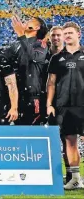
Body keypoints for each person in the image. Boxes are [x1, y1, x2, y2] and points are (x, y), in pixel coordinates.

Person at [47, 22, 84, 190]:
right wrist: (49, 104)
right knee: (70, 141)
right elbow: (51, 83)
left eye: (70, 33)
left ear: (79, 34)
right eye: (65, 33)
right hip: (64, 105)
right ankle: (75, 178)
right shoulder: (57, 58)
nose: (67, 35)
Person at [4, 15, 48, 126]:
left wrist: (21, 35)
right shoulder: (15, 44)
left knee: (33, 131)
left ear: (37, 27)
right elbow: (1, 61)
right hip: (15, 95)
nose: (25, 22)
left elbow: (35, 57)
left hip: (32, 96)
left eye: (29, 21)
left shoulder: (41, 43)